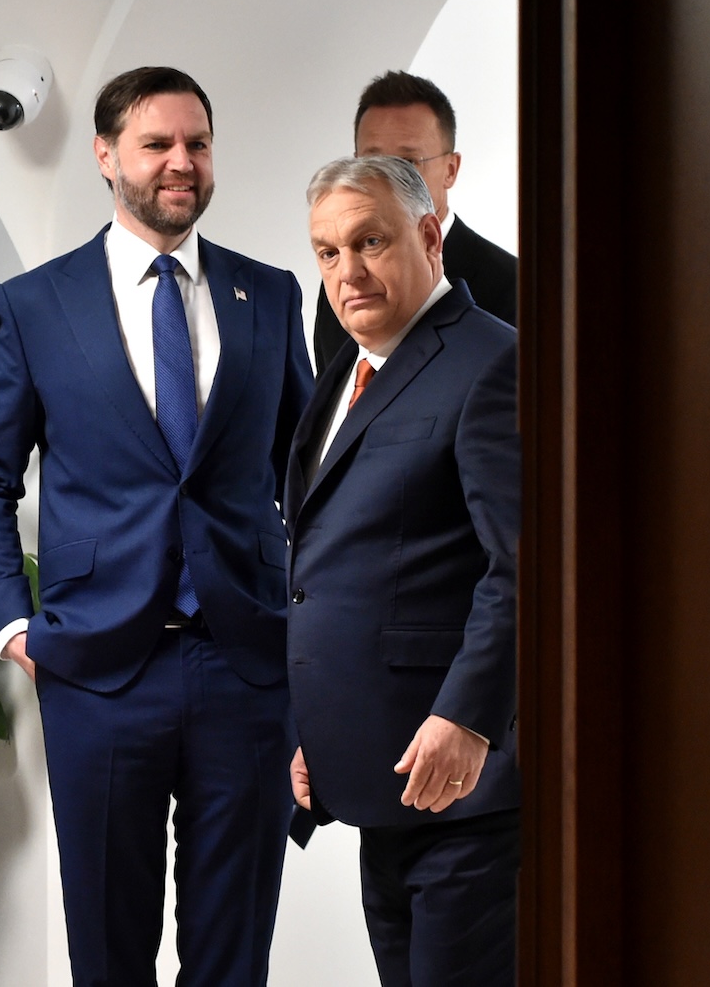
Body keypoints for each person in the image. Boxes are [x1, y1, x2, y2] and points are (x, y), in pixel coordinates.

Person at [0, 66, 313, 987]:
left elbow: (310, 477)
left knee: (233, 956)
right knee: (108, 954)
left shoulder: (268, 296)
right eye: (157, 144)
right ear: (107, 156)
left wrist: (312, 627)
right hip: (100, 670)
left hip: (246, 665)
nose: (180, 163)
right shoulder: (36, 305)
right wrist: (12, 619)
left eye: (197, 143)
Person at [285, 155, 520, 987]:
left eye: (369, 242)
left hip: (466, 795)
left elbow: (520, 569)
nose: (347, 273)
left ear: (428, 235)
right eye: (327, 252)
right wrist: (309, 732)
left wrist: (468, 718)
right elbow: (326, 568)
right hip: (380, 787)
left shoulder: (492, 363)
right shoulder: (346, 374)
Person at [311, 70, 517, 373]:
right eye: (372, 163)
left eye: (407, 163)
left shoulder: (515, 288)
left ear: (451, 169)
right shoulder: (343, 282)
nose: (388, 179)